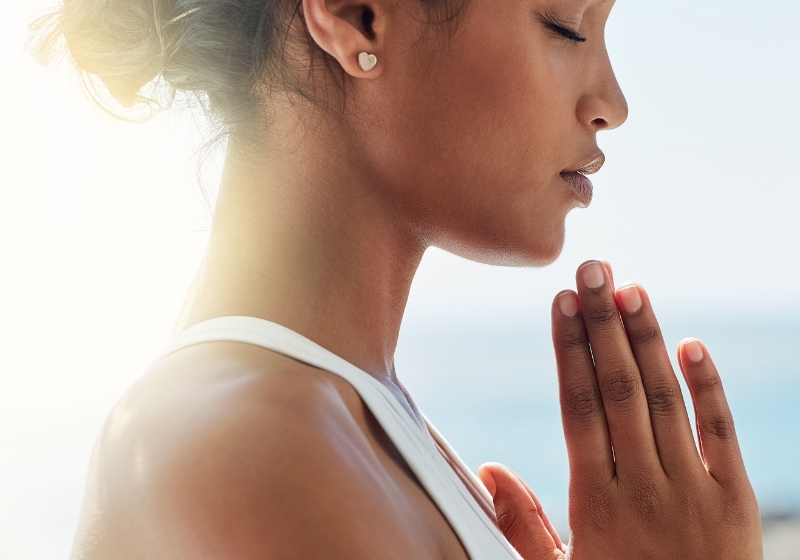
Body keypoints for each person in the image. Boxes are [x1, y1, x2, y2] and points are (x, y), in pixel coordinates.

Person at [33, 0, 763, 558]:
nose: (613, 103)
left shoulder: (348, 421)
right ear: (359, 18)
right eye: (565, 26)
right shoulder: (245, 448)